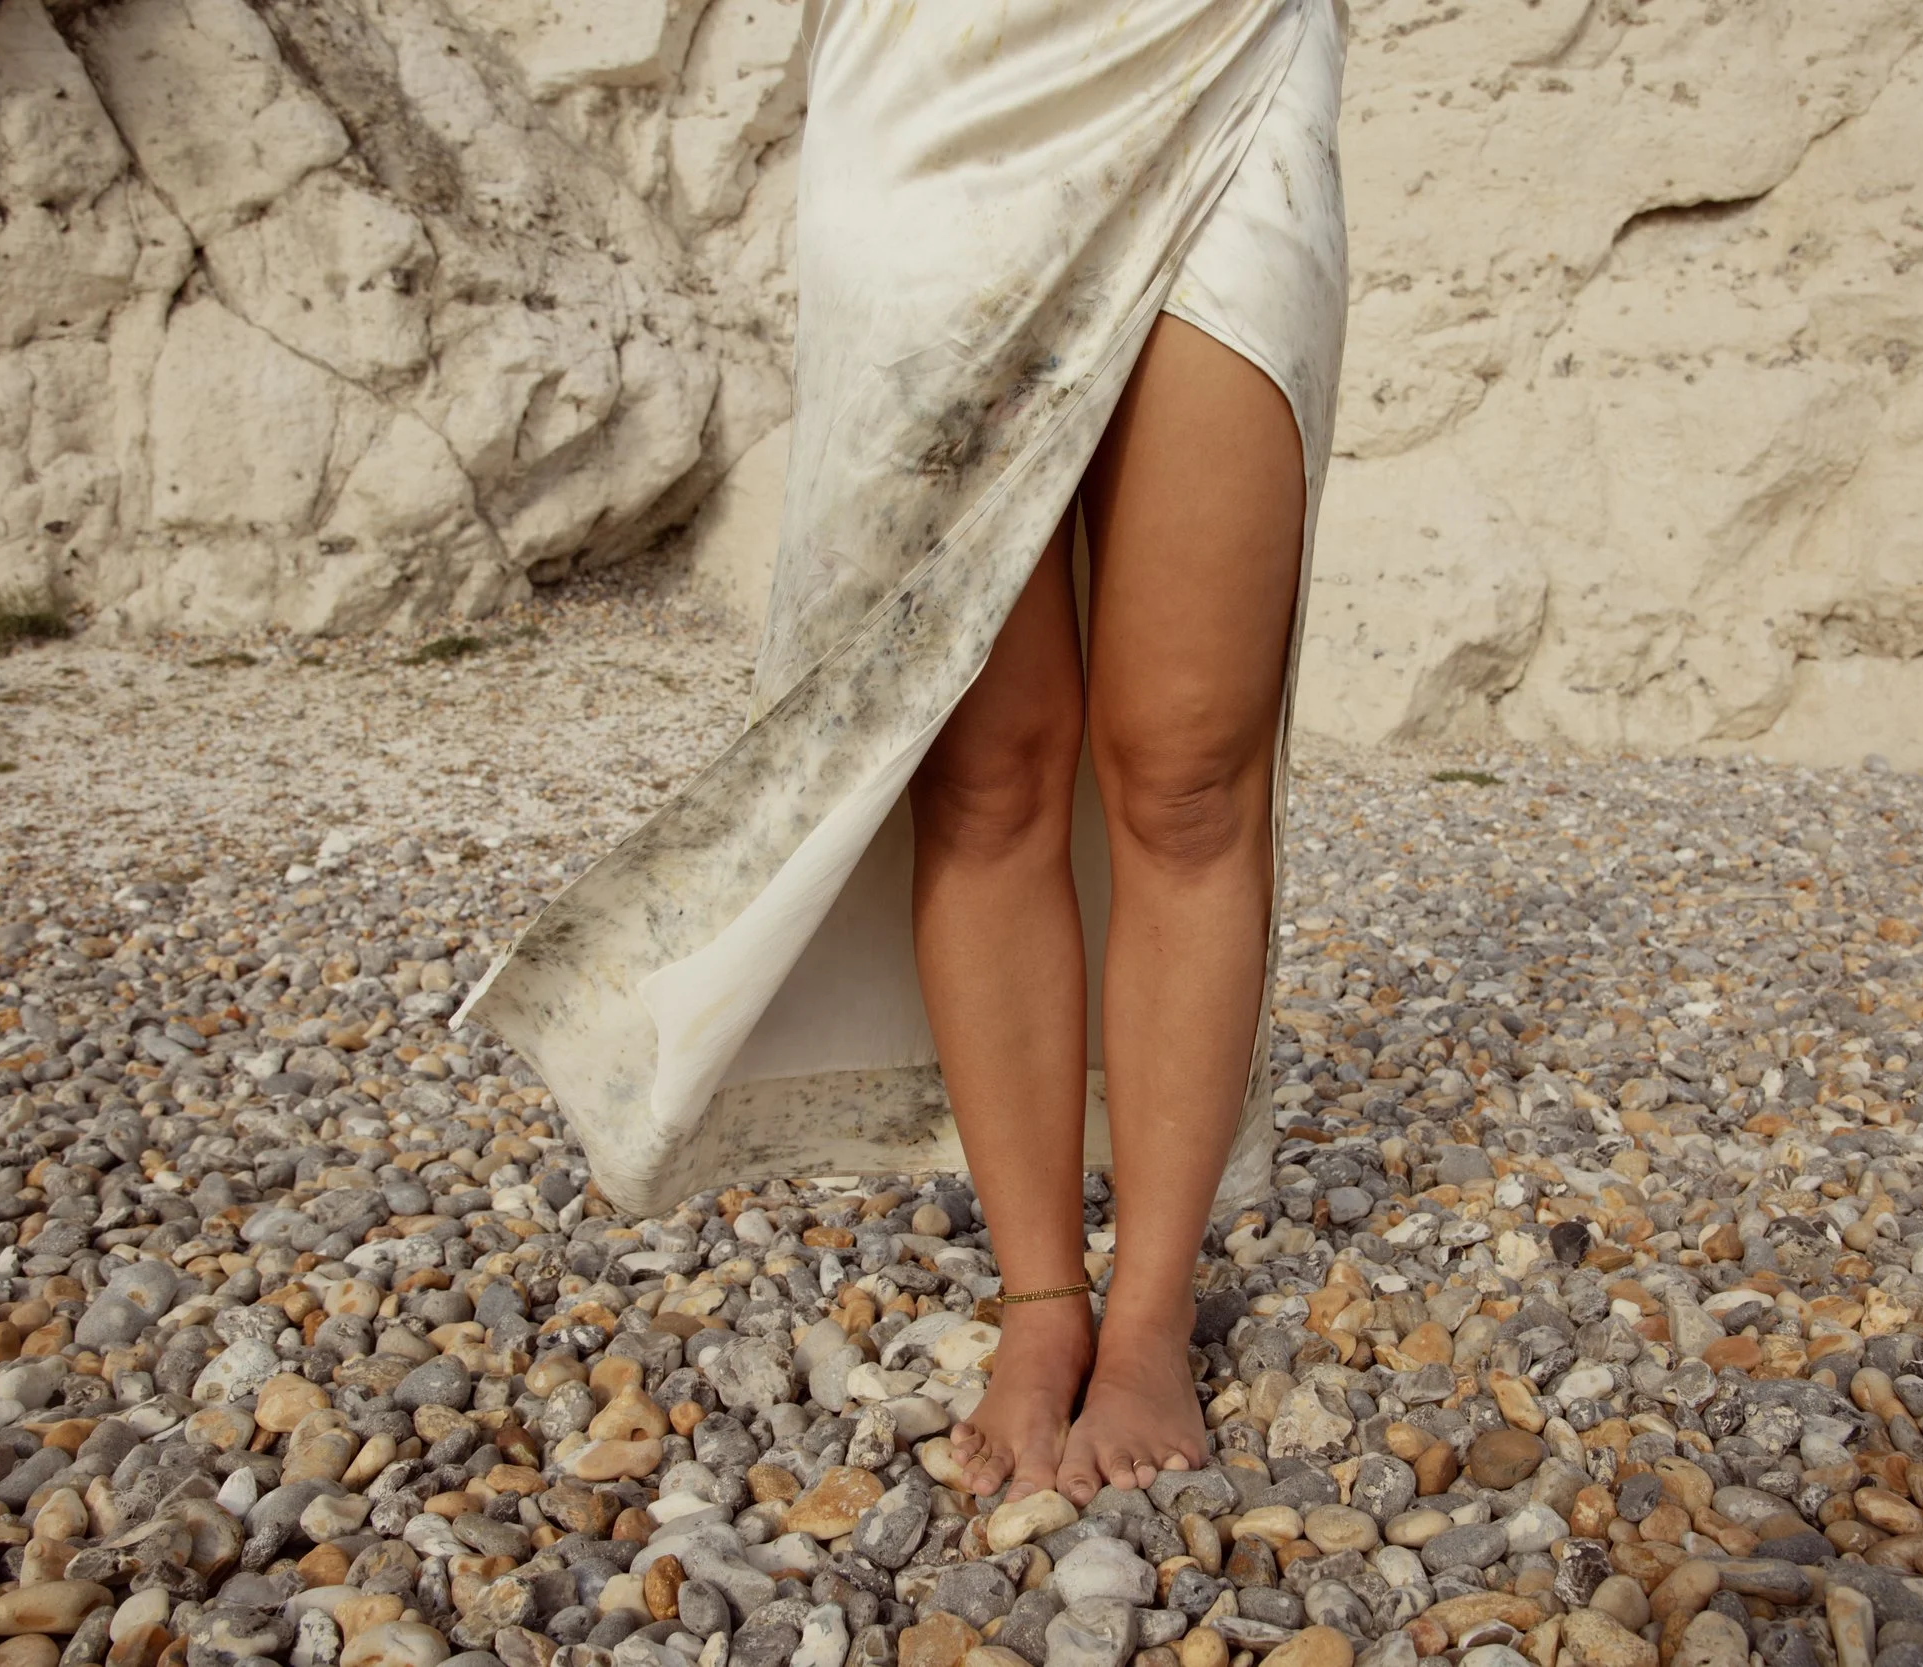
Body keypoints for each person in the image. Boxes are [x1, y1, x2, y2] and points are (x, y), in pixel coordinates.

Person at [452, 0, 1349, 1507]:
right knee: (983, 757)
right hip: (942, 81)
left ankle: (1147, 1319)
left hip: (1225, 46)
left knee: (1190, 763)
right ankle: (1043, 1296)